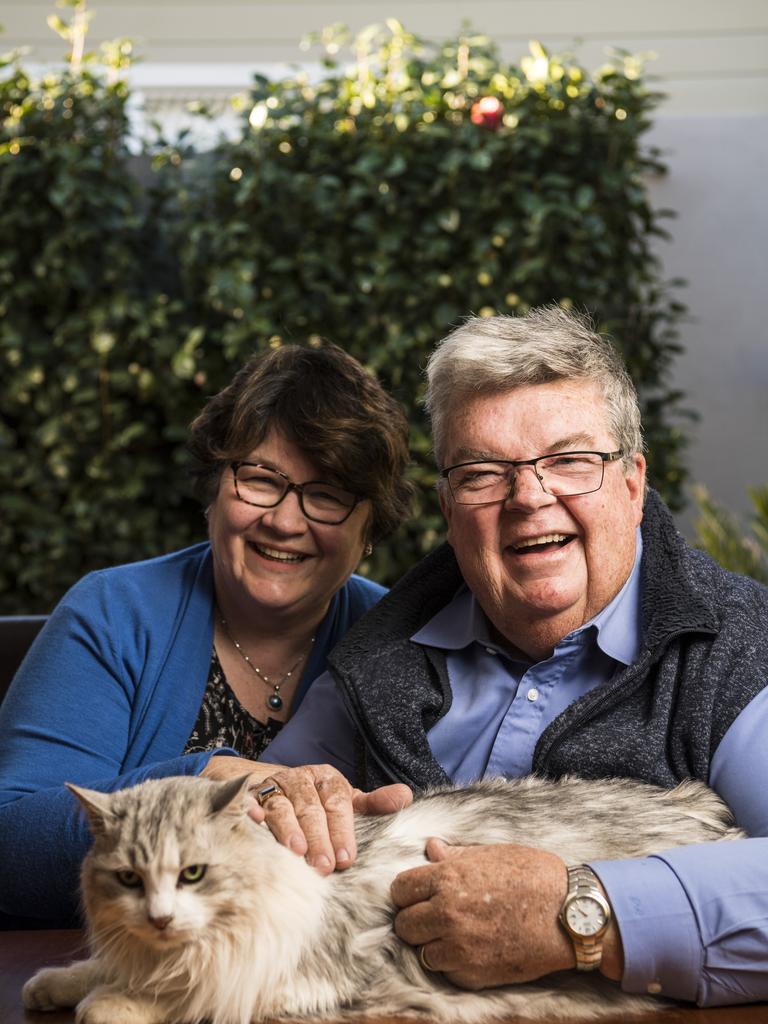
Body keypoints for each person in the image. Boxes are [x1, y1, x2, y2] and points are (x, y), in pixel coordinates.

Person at [253, 307, 768, 1008]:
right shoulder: (376, 658)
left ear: (632, 482)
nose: (530, 497)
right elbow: (258, 821)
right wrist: (276, 806)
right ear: (447, 505)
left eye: (570, 461)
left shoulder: (738, 651)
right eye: (482, 473)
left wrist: (585, 914)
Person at [0, 342, 413, 926]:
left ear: (370, 527)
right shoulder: (112, 613)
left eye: (327, 496)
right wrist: (202, 780)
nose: (285, 521)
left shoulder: (403, 640)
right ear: (215, 487)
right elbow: (8, 846)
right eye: (261, 479)